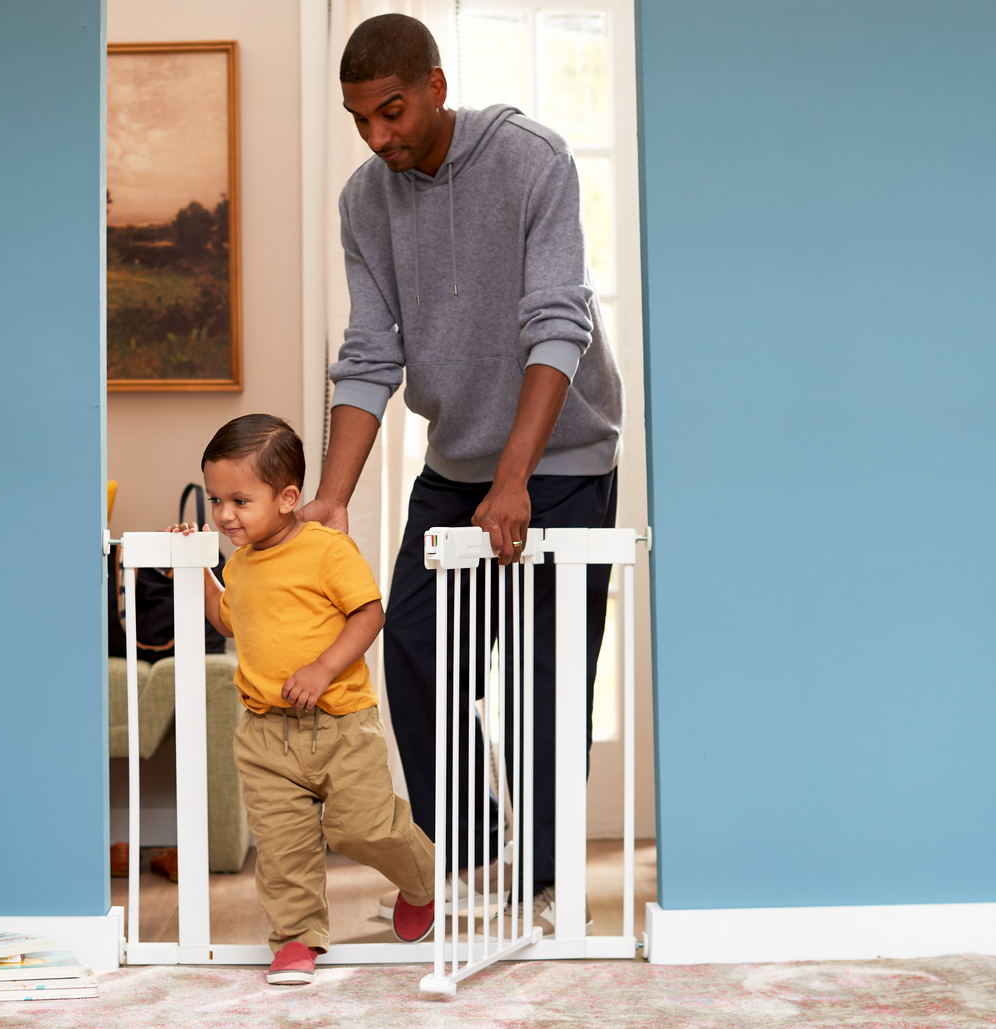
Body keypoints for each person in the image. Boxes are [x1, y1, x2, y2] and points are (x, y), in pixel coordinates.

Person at [294, 14, 623, 932]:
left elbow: (559, 321)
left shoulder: (531, 159)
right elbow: (368, 353)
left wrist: (515, 476)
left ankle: (546, 880)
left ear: (435, 86)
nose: (378, 137)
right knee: (411, 647)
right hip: (454, 463)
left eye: (390, 112)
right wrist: (331, 498)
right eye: (360, 120)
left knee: (538, 679)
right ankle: (470, 856)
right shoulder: (365, 200)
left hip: (559, 458)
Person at [171, 414, 437, 986]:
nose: (222, 515)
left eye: (239, 501)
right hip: (266, 734)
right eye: (216, 500)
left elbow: (370, 613)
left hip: (341, 724)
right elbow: (227, 620)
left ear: (288, 498)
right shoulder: (239, 566)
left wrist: (322, 668)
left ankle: (422, 881)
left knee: (362, 828)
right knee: (282, 849)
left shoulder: (325, 550)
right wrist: (195, 568)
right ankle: (296, 937)